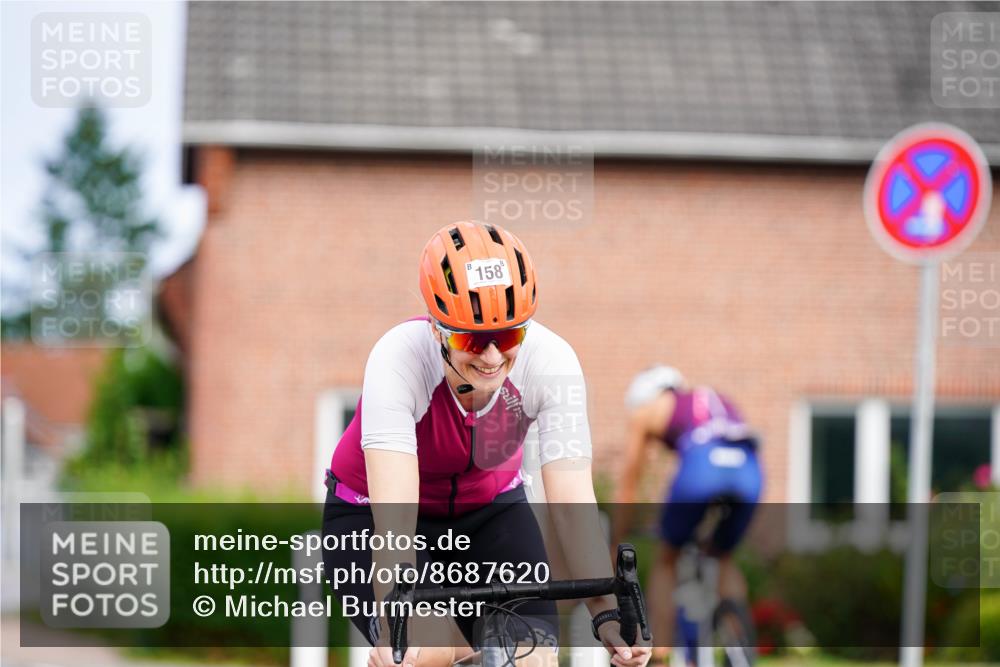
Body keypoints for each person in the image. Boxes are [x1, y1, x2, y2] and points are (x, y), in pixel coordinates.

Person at [322, 221, 651, 667]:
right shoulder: (397, 359)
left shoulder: (553, 363)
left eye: (509, 335)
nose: (493, 357)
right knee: (428, 649)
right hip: (369, 513)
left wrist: (606, 612)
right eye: (472, 339)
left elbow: (573, 503)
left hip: (490, 513)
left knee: (532, 657)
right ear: (438, 330)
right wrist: (396, 624)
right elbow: (395, 525)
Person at [611, 366, 763, 660]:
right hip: (749, 469)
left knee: (667, 559)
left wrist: (616, 537)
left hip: (702, 468)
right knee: (722, 557)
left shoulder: (647, 410)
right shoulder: (712, 400)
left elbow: (631, 477)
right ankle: (742, 650)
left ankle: (659, 654)